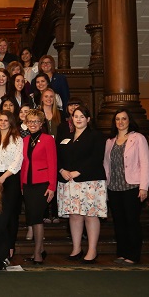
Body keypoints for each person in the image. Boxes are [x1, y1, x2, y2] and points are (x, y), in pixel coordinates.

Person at [57, 106, 106, 264]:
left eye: (82, 116)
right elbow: (57, 155)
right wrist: (61, 169)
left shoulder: (96, 136)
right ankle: (76, 248)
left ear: (88, 119)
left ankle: (92, 250)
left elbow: (97, 157)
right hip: (68, 181)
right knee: (74, 215)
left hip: (90, 181)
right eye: (75, 116)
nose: (78, 119)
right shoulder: (66, 136)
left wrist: (79, 171)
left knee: (90, 215)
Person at [104, 109, 149, 265]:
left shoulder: (138, 138)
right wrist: (105, 188)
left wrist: (143, 187)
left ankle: (133, 255)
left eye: (124, 118)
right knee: (119, 222)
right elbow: (106, 166)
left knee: (132, 221)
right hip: (114, 187)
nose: (120, 122)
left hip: (132, 186)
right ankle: (122, 253)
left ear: (129, 120)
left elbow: (145, 163)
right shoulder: (110, 141)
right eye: (117, 119)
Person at [20, 109, 57, 264]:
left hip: (42, 184)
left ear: (41, 124)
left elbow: (53, 163)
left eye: (36, 121)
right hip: (27, 184)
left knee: (36, 218)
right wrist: (22, 184)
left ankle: (37, 254)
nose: (33, 124)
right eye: (30, 121)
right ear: (26, 123)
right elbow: (24, 163)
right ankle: (40, 249)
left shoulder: (48, 139)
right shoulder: (26, 140)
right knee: (32, 217)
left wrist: (52, 186)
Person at [0, 110, 23, 258]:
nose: (3, 123)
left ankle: (10, 248)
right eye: (0, 120)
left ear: (11, 122)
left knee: (9, 215)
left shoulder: (17, 139)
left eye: (6, 120)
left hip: (10, 178)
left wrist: (2, 178)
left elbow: (18, 161)